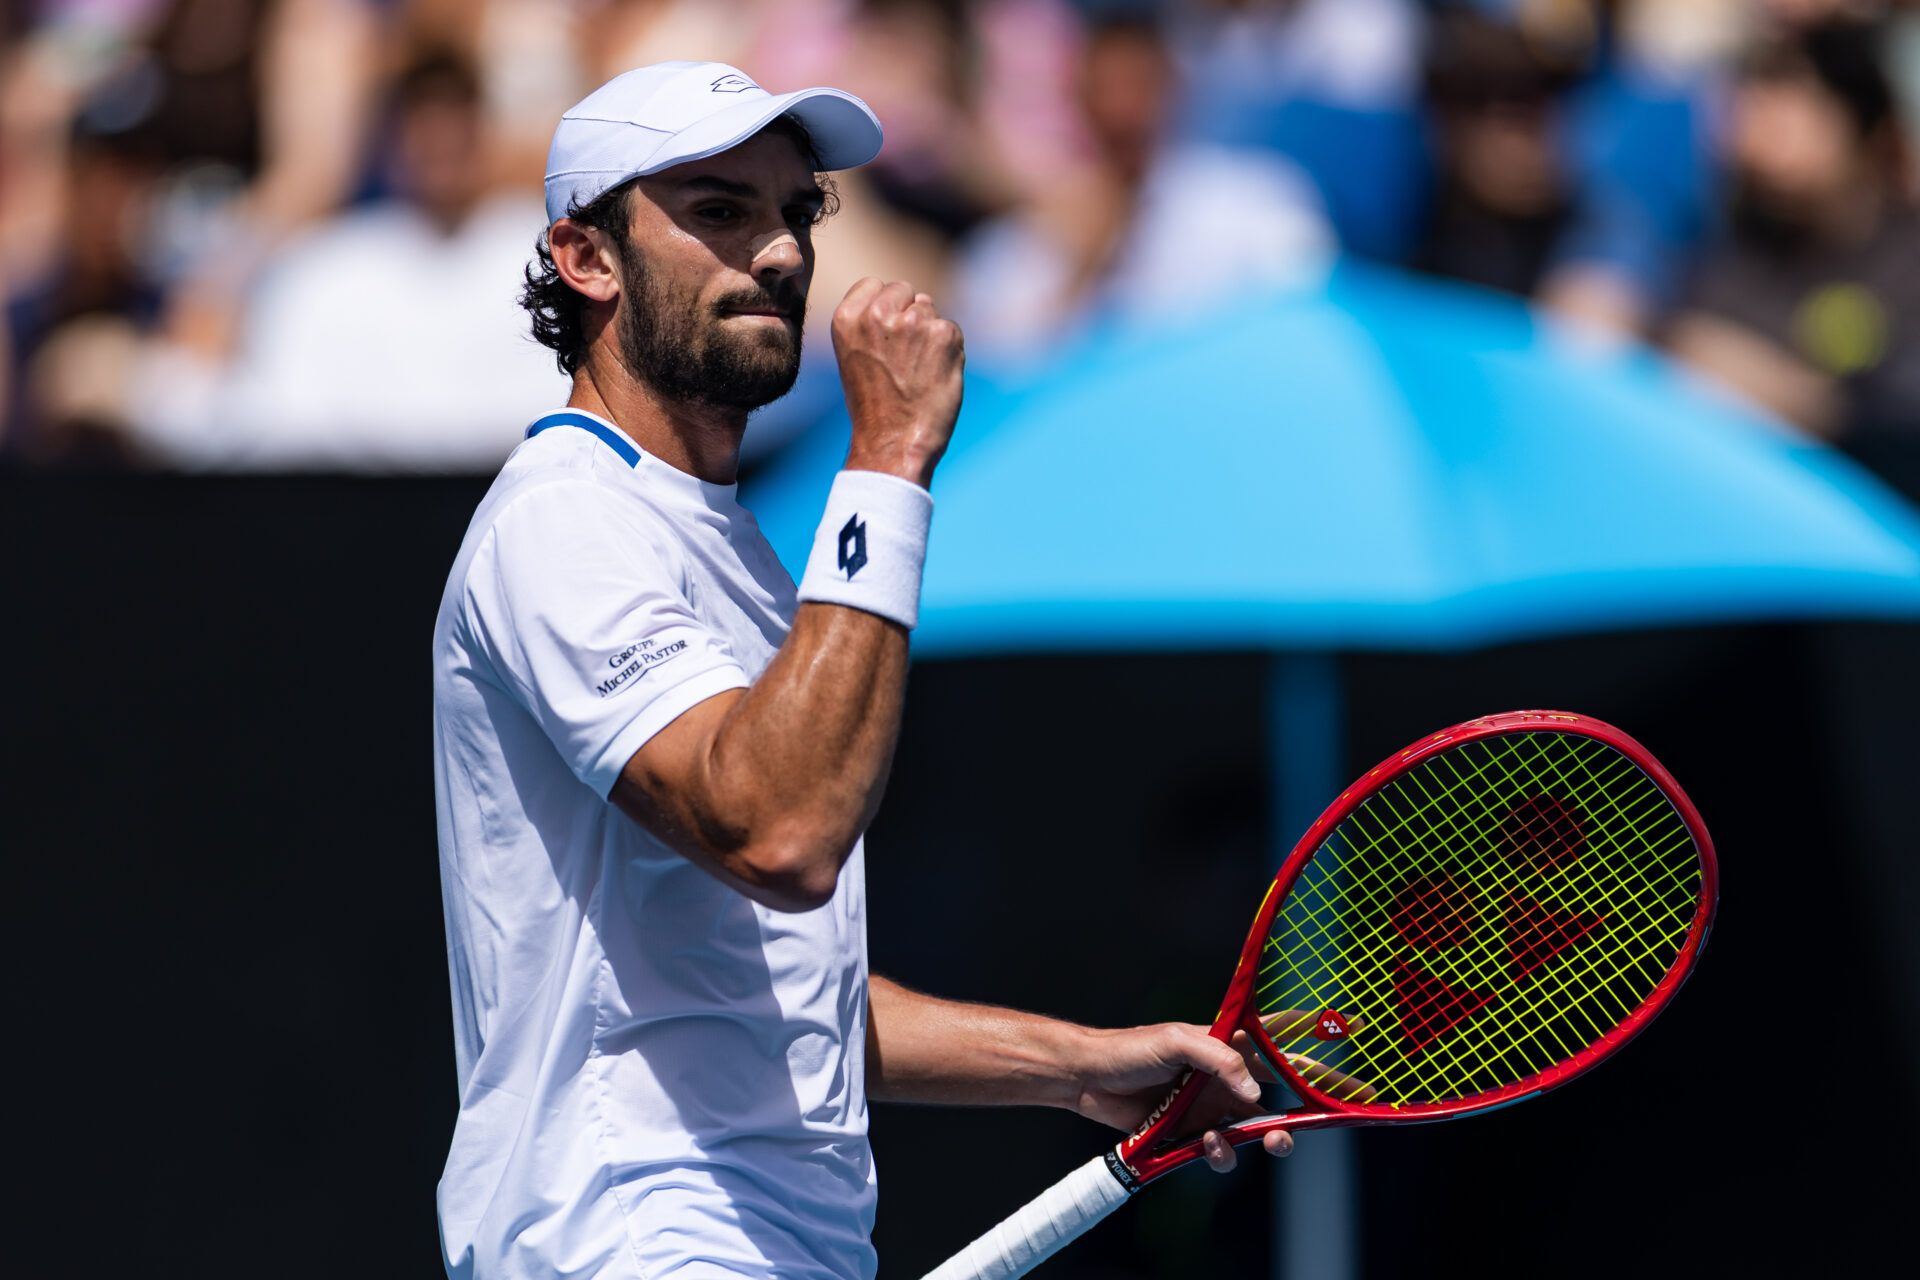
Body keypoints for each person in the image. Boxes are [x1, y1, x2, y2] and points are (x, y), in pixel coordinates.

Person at [430, 60, 1288, 1280]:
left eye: (794, 212)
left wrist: (1077, 1064)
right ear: (587, 257)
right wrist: (886, 456)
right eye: (720, 210)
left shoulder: (723, 549)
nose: (779, 251)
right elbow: (779, 833)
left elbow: (784, 986)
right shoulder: (563, 521)